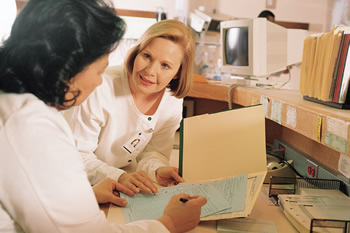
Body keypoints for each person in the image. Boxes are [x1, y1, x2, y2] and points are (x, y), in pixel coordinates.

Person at [0, 0, 207, 232]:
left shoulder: (18, 104)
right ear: (67, 67)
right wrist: (169, 224)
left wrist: (85, 195)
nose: (100, 80)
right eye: (99, 69)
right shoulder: (30, 126)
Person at [64, 19, 195, 194]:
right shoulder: (100, 87)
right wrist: (119, 177)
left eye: (165, 65)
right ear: (136, 52)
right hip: (71, 181)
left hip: (115, 180)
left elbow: (152, 152)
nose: (150, 71)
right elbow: (76, 155)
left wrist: (157, 170)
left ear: (178, 72)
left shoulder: (172, 100)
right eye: (147, 56)